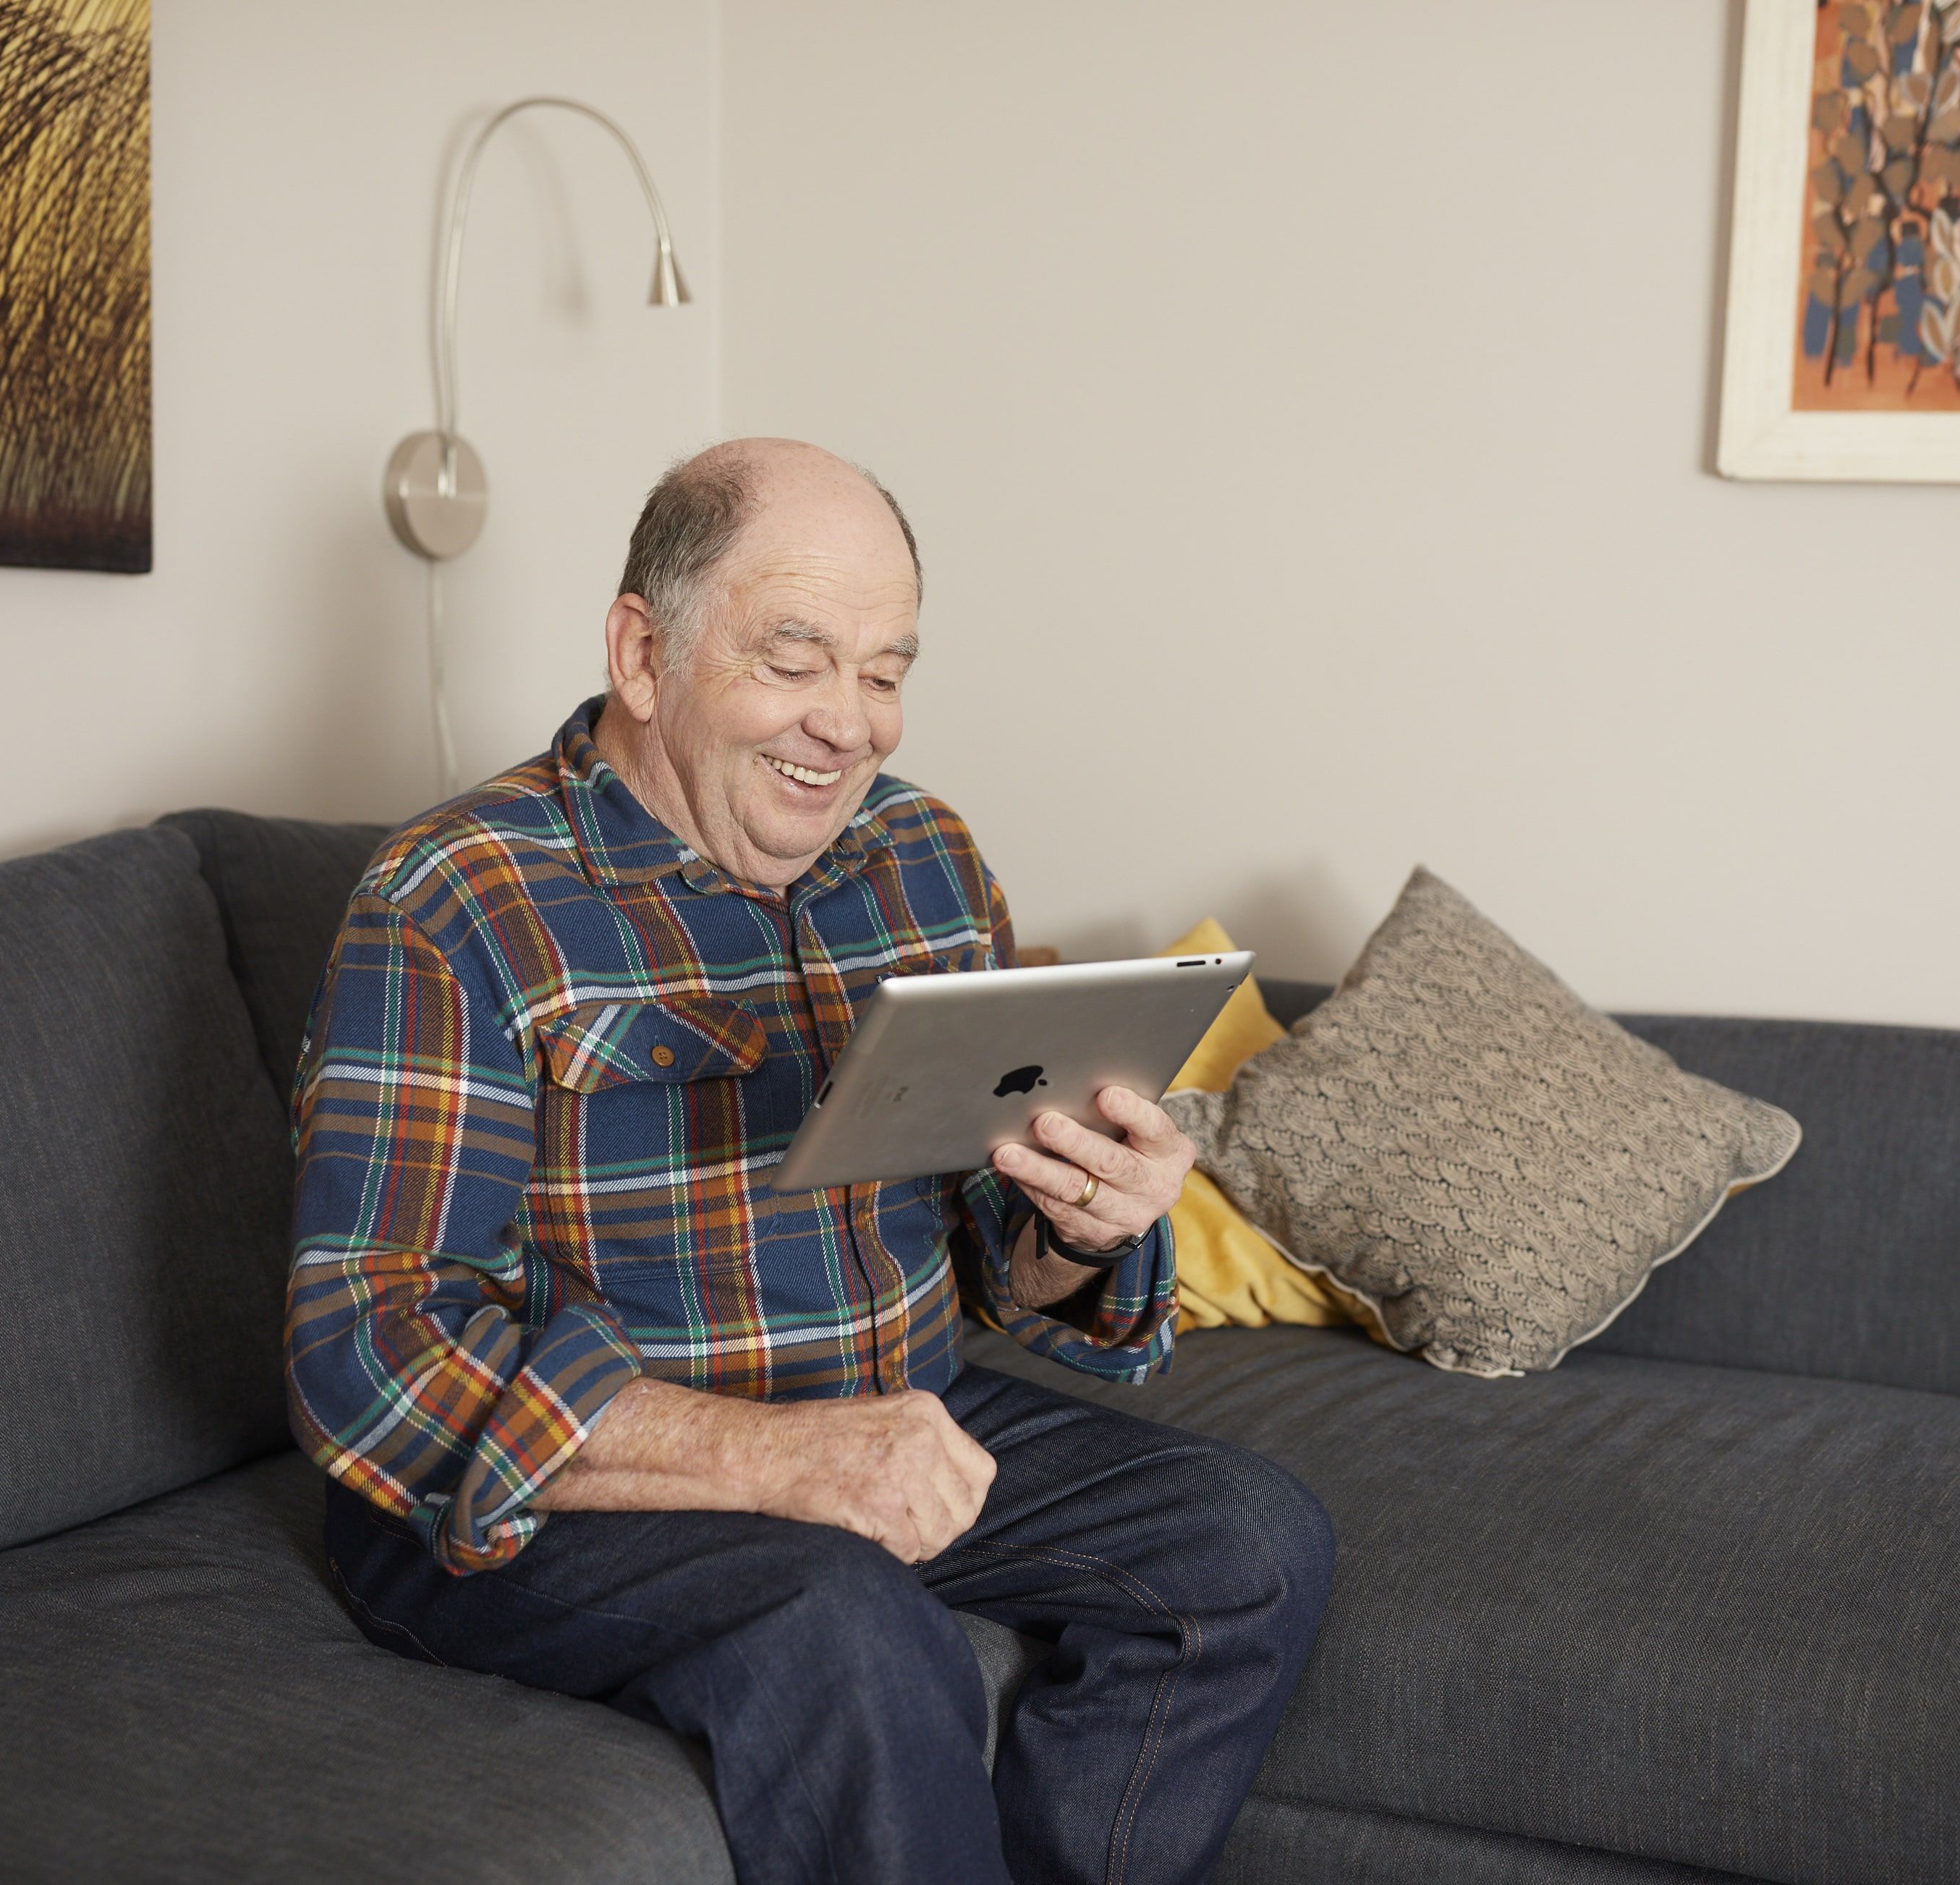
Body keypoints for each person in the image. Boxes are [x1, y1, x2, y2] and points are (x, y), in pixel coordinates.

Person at [287, 437, 1333, 1885]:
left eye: (886, 670)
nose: (850, 726)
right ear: (642, 653)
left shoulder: (919, 858)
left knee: (1249, 1544)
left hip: (876, 1408)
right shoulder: (457, 900)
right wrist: (779, 1460)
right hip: (558, 1498)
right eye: (795, 660)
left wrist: (1081, 1223)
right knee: (848, 1623)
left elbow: (991, 1256)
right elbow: (371, 1359)